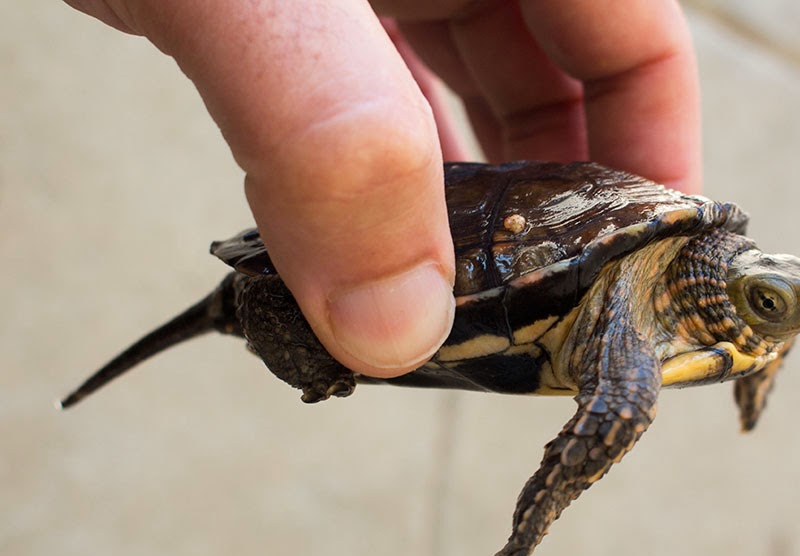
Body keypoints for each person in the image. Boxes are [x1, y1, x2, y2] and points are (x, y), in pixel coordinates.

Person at [63, 0, 702, 379]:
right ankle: (264, 311)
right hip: (467, 255)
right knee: (626, 393)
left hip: (555, 258)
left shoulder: (672, 300)